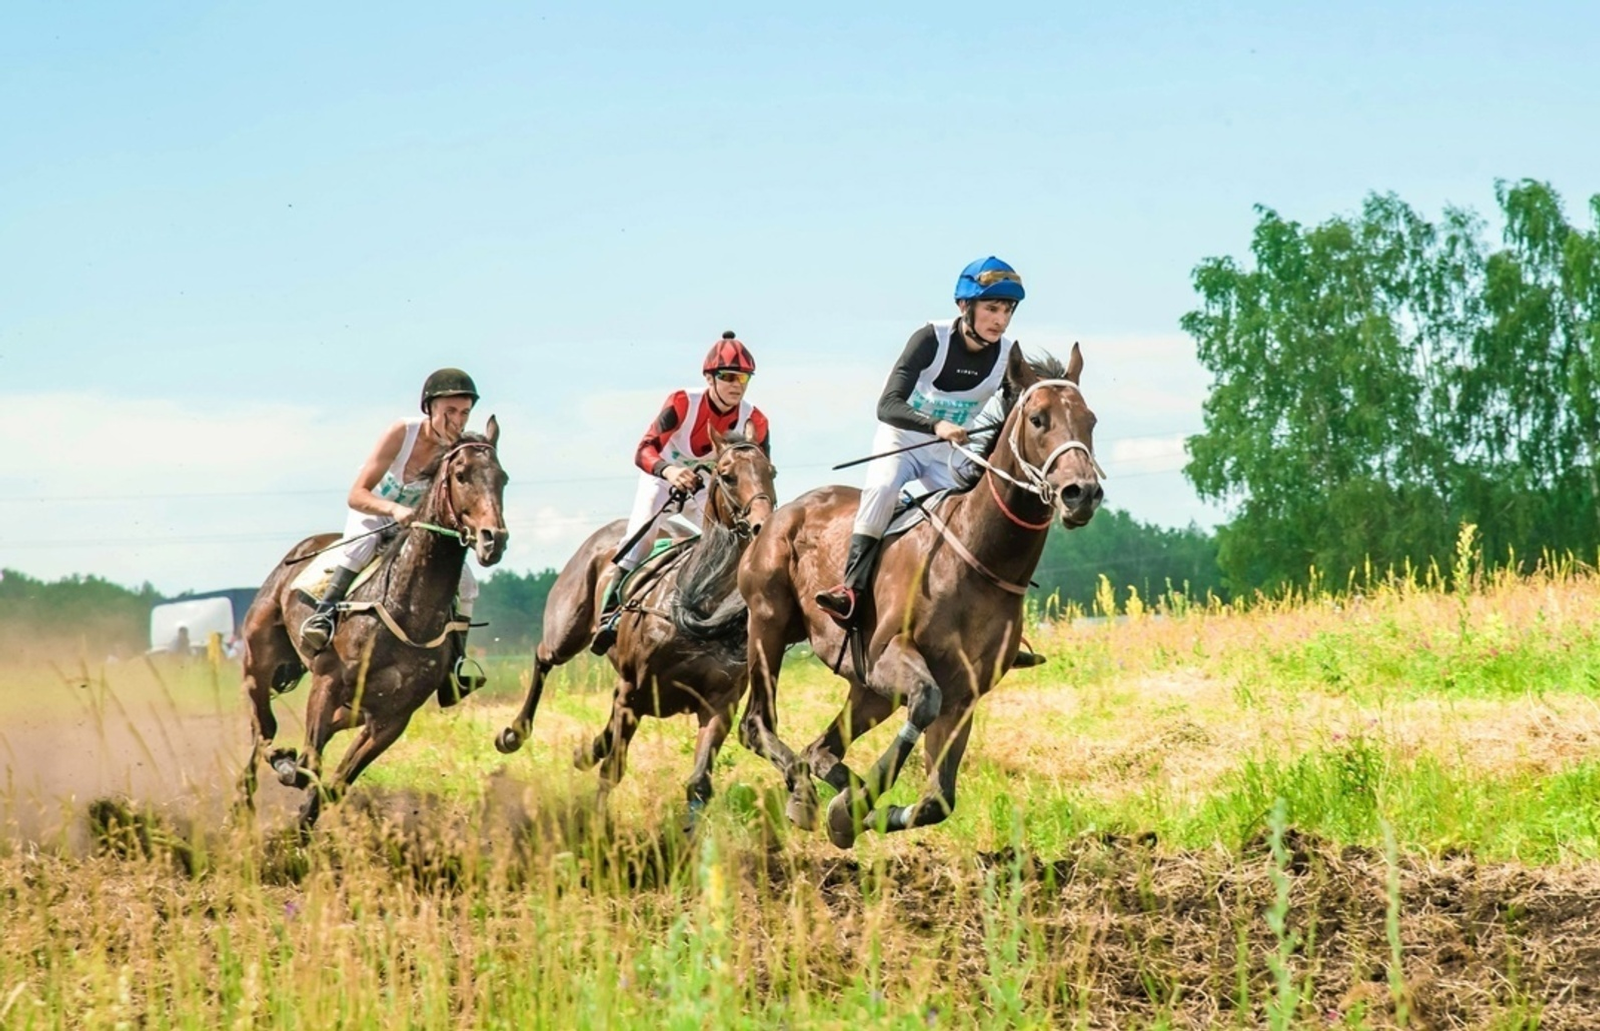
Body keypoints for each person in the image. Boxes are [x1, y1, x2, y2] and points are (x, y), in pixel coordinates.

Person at [815, 256, 1026, 626]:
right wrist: (936, 425)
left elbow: (1020, 413)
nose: (1000, 320)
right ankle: (850, 589)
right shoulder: (930, 339)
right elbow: (887, 405)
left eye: (1007, 311)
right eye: (992, 308)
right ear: (965, 307)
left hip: (951, 451)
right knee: (882, 489)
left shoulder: (1008, 355)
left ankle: (992, 619)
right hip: (903, 439)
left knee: (982, 509)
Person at [298, 368, 487, 694]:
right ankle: (323, 617)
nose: (458, 420)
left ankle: (457, 662)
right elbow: (356, 494)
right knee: (362, 545)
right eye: (450, 411)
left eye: (465, 413)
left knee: (467, 584)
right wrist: (394, 509)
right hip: (374, 511)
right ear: (430, 408)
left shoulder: (456, 453)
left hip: (415, 527)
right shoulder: (403, 432)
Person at [591, 331, 771, 654]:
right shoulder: (682, 402)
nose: (736, 385)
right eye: (728, 377)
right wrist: (671, 471)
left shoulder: (755, 419)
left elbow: (759, 471)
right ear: (709, 377)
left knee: (736, 544)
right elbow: (643, 450)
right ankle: (611, 614)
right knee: (640, 539)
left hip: (708, 489)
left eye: (743, 379)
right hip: (663, 479)